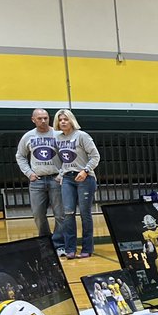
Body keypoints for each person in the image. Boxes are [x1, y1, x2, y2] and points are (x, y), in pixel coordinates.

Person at [15, 108, 65, 255]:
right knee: (38, 214)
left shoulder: (58, 135)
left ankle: (59, 244)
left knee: (60, 214)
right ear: (33, 119)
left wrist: (62, 174)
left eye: (46, 118)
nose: (43, 121)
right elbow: (20, 156)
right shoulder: (28, 136)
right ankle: (45, 242)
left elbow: (69, 156)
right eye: (40, 118)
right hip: (36, 181)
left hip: (56, 179)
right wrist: (29, 173)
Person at [53, 109, 100, 258]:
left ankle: (87, 248)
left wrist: (85, 171)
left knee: (85, 214)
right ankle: (70, 249)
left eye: (65, 119)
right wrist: (61, 174)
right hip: (67, 179)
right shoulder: (58, 138)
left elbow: (95, 156)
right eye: (60, 120)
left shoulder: (82, 136)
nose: (63, 122)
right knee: (68, 214)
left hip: (85, 178)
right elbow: (61, 160)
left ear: (71, 120)